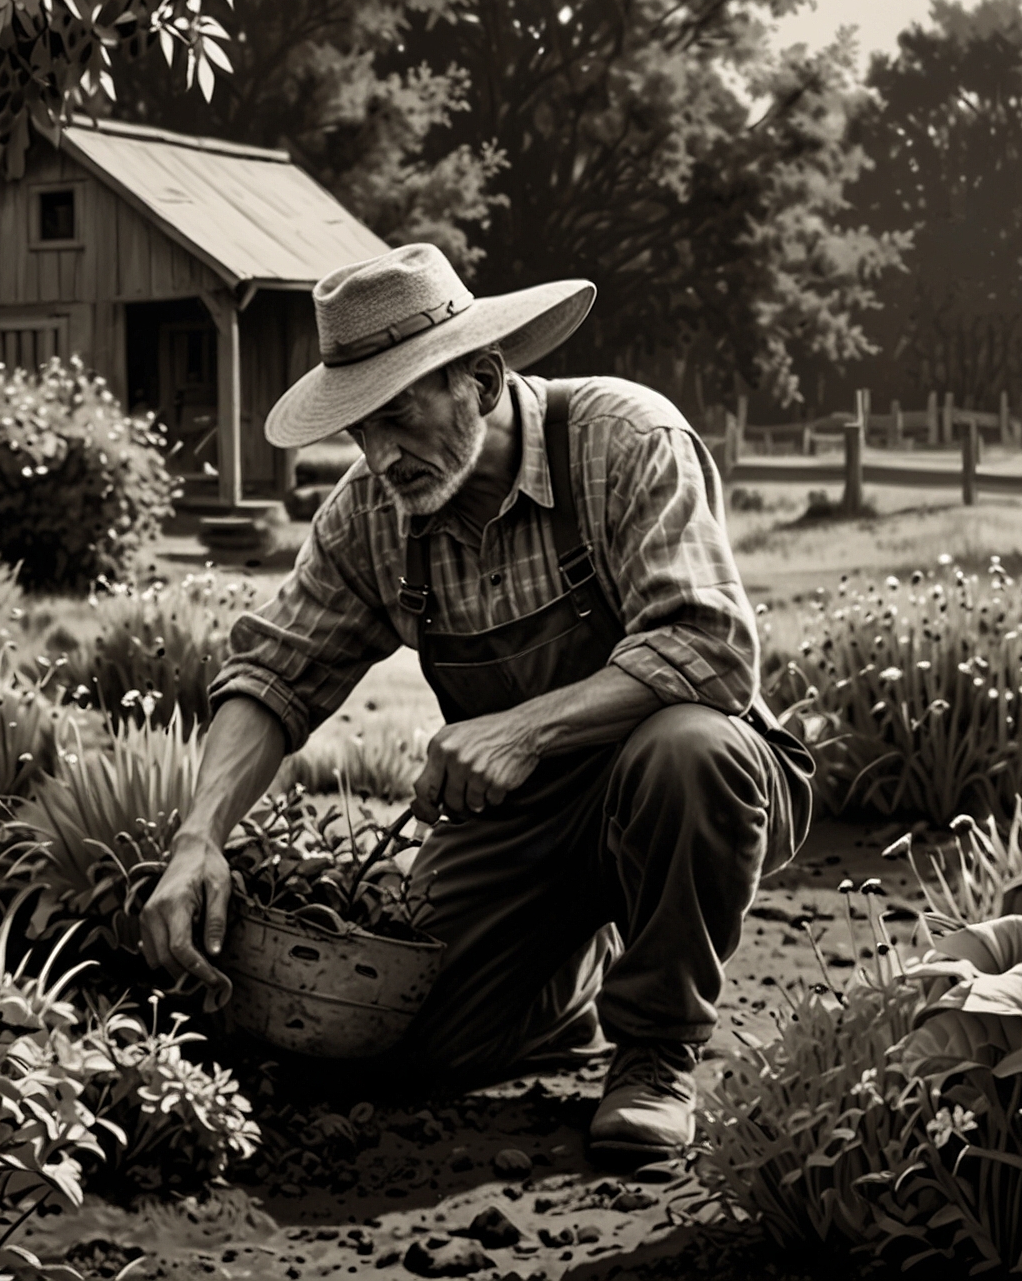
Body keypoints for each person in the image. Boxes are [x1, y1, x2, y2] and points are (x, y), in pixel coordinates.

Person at [140, 243, 811, 1156]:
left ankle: (656, 1051)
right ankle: (566, 985)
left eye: (398, 414)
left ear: (484, 378)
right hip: (518, 821)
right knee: (402, 1045)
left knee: (690, 750)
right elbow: (273, 676)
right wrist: (197, 839)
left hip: (680, 787)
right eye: (359, 427)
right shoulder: (371, 517)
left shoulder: (624, 440)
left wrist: (525, 728)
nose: (379, 455)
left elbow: (711, 648)